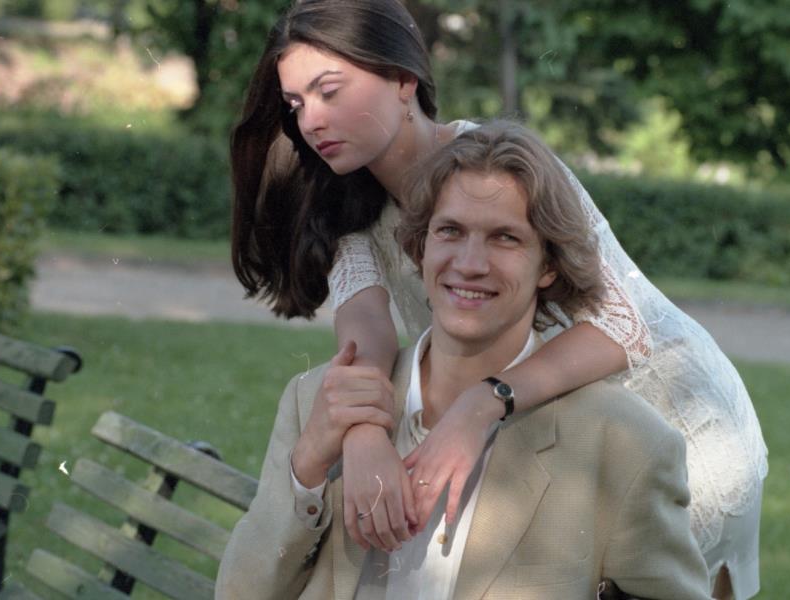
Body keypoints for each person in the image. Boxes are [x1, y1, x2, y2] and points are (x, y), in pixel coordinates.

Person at [230, 1, 767, 597]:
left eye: (329, 92)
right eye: (296, 104)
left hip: (673, 413)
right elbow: (367, 342)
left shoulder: (499, 164)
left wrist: (482, 404)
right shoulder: (348, 208)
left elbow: (622, 326)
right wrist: (363, 438)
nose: (311, 121)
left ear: (403, 80)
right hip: (548, 426)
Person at [217, 121, 711, 599]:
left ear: (548, 265)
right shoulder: (314, 402)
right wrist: (306, 469)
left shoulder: (625, 444)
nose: (470, 264)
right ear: (420, 247)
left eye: (505, 238)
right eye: (450, 231)